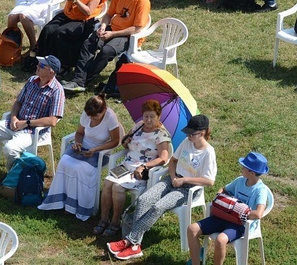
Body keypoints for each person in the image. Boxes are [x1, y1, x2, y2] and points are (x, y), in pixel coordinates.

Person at [107, 114, 216, 261]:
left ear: (202, 133)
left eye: (192, 133)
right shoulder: (186, 142)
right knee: (144, 199)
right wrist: (173, 177)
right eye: (188, 133)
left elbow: (209, 181)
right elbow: (173, 161)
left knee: (158, 207)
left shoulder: (208, 152)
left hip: (189, 189)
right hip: (173, 179)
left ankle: (130, 241)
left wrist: (184, 180)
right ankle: (135, 246)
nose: (188, 136)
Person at [0, 55, 65, 189]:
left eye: (42, 65)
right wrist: (14, 117)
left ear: (51, 72)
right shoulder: (32, 80)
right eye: (39, 63)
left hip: (32, 131)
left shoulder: (57, 91)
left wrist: (27, 123)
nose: (37, 66)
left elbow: (53, 120)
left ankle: (13, 177)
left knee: (10, 149)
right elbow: (18, 102)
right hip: (14, 123)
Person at [61, 0, 151, 93]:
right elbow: (109, 14)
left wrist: (113, 34)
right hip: (112, 29)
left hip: (128, 36)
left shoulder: (143, 1)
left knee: (106, 51)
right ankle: (78, 81)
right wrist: (103, 26)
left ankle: (83, 81)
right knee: (89, 44)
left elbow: (137, 28)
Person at [94, 100, 171, 238]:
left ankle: (115, 221)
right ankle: (104, 219)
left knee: (118, 187)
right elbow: (125, 145)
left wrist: (144, 166)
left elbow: (164, 158)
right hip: (126, 165)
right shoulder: (138, 127)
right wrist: (125, 141)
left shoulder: (161, 134)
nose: (148, 120)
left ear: (158, 116)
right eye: (145, 116)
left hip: (141, 170)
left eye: (152, 117)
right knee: (107, 183)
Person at [39, 94, 121, 220]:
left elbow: (115, 141)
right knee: (64, 162)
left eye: (96, 117)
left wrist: (95, 149)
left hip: (101, 151)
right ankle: (62, 200)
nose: (92, 119)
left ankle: (78, 205)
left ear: (103, 110)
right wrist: (78, 143)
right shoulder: (87, 114)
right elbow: (79, 133)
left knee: (81, 168)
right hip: (84, 147)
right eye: (90, 116)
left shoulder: (110, 117)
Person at [187, 152, 270, 265]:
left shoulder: (261, 190)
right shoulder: (240, 181)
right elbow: (223, 190)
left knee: (221, 240)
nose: (241, 168)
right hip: (224, 216)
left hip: (241, 225)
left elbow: (258, 214)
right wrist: (220, 199)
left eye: (244, 167)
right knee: (192, 229)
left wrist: (238, 212)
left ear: (252, 173)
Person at [32, 0, 107, 72]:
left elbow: (88, 12)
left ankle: (63, 64)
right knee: (48, 29)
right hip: (68, 15)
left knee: (59, 33)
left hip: (82, 21)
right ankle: (42, 60)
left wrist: (75, 0)